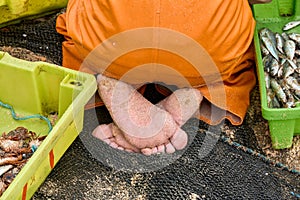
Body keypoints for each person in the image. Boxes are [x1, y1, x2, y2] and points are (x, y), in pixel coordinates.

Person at [56, 0, 272, 155]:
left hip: (115, 43)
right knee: (234, 54)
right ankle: (199, 89)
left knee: (84, 35)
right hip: (203, 51)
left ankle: (105, 76)